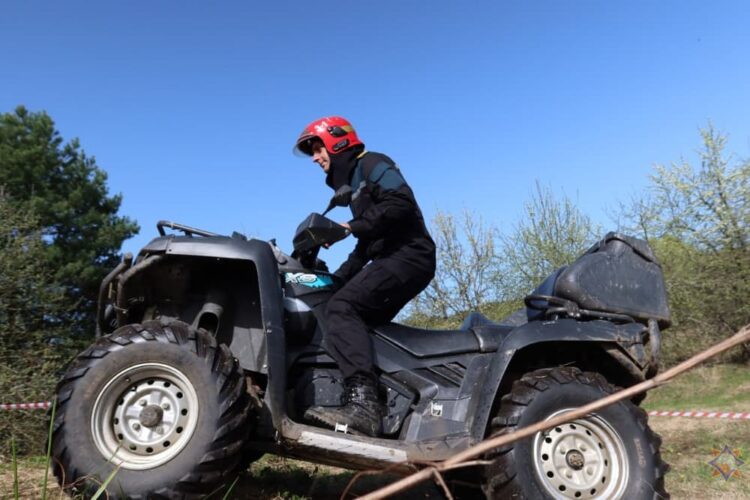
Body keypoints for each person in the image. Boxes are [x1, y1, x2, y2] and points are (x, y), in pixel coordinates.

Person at [293, 116, 436, 436]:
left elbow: (400, 202)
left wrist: (349, 226)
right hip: (391, 257)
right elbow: (366, 246)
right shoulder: (355, 186)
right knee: (341, 309)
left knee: (343, 308)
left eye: (317, 149)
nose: (315, 158)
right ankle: (386, 395)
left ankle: (364, 406)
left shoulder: (373, 163)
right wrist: (334, 280)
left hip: (410, 255)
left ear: (337, 141)